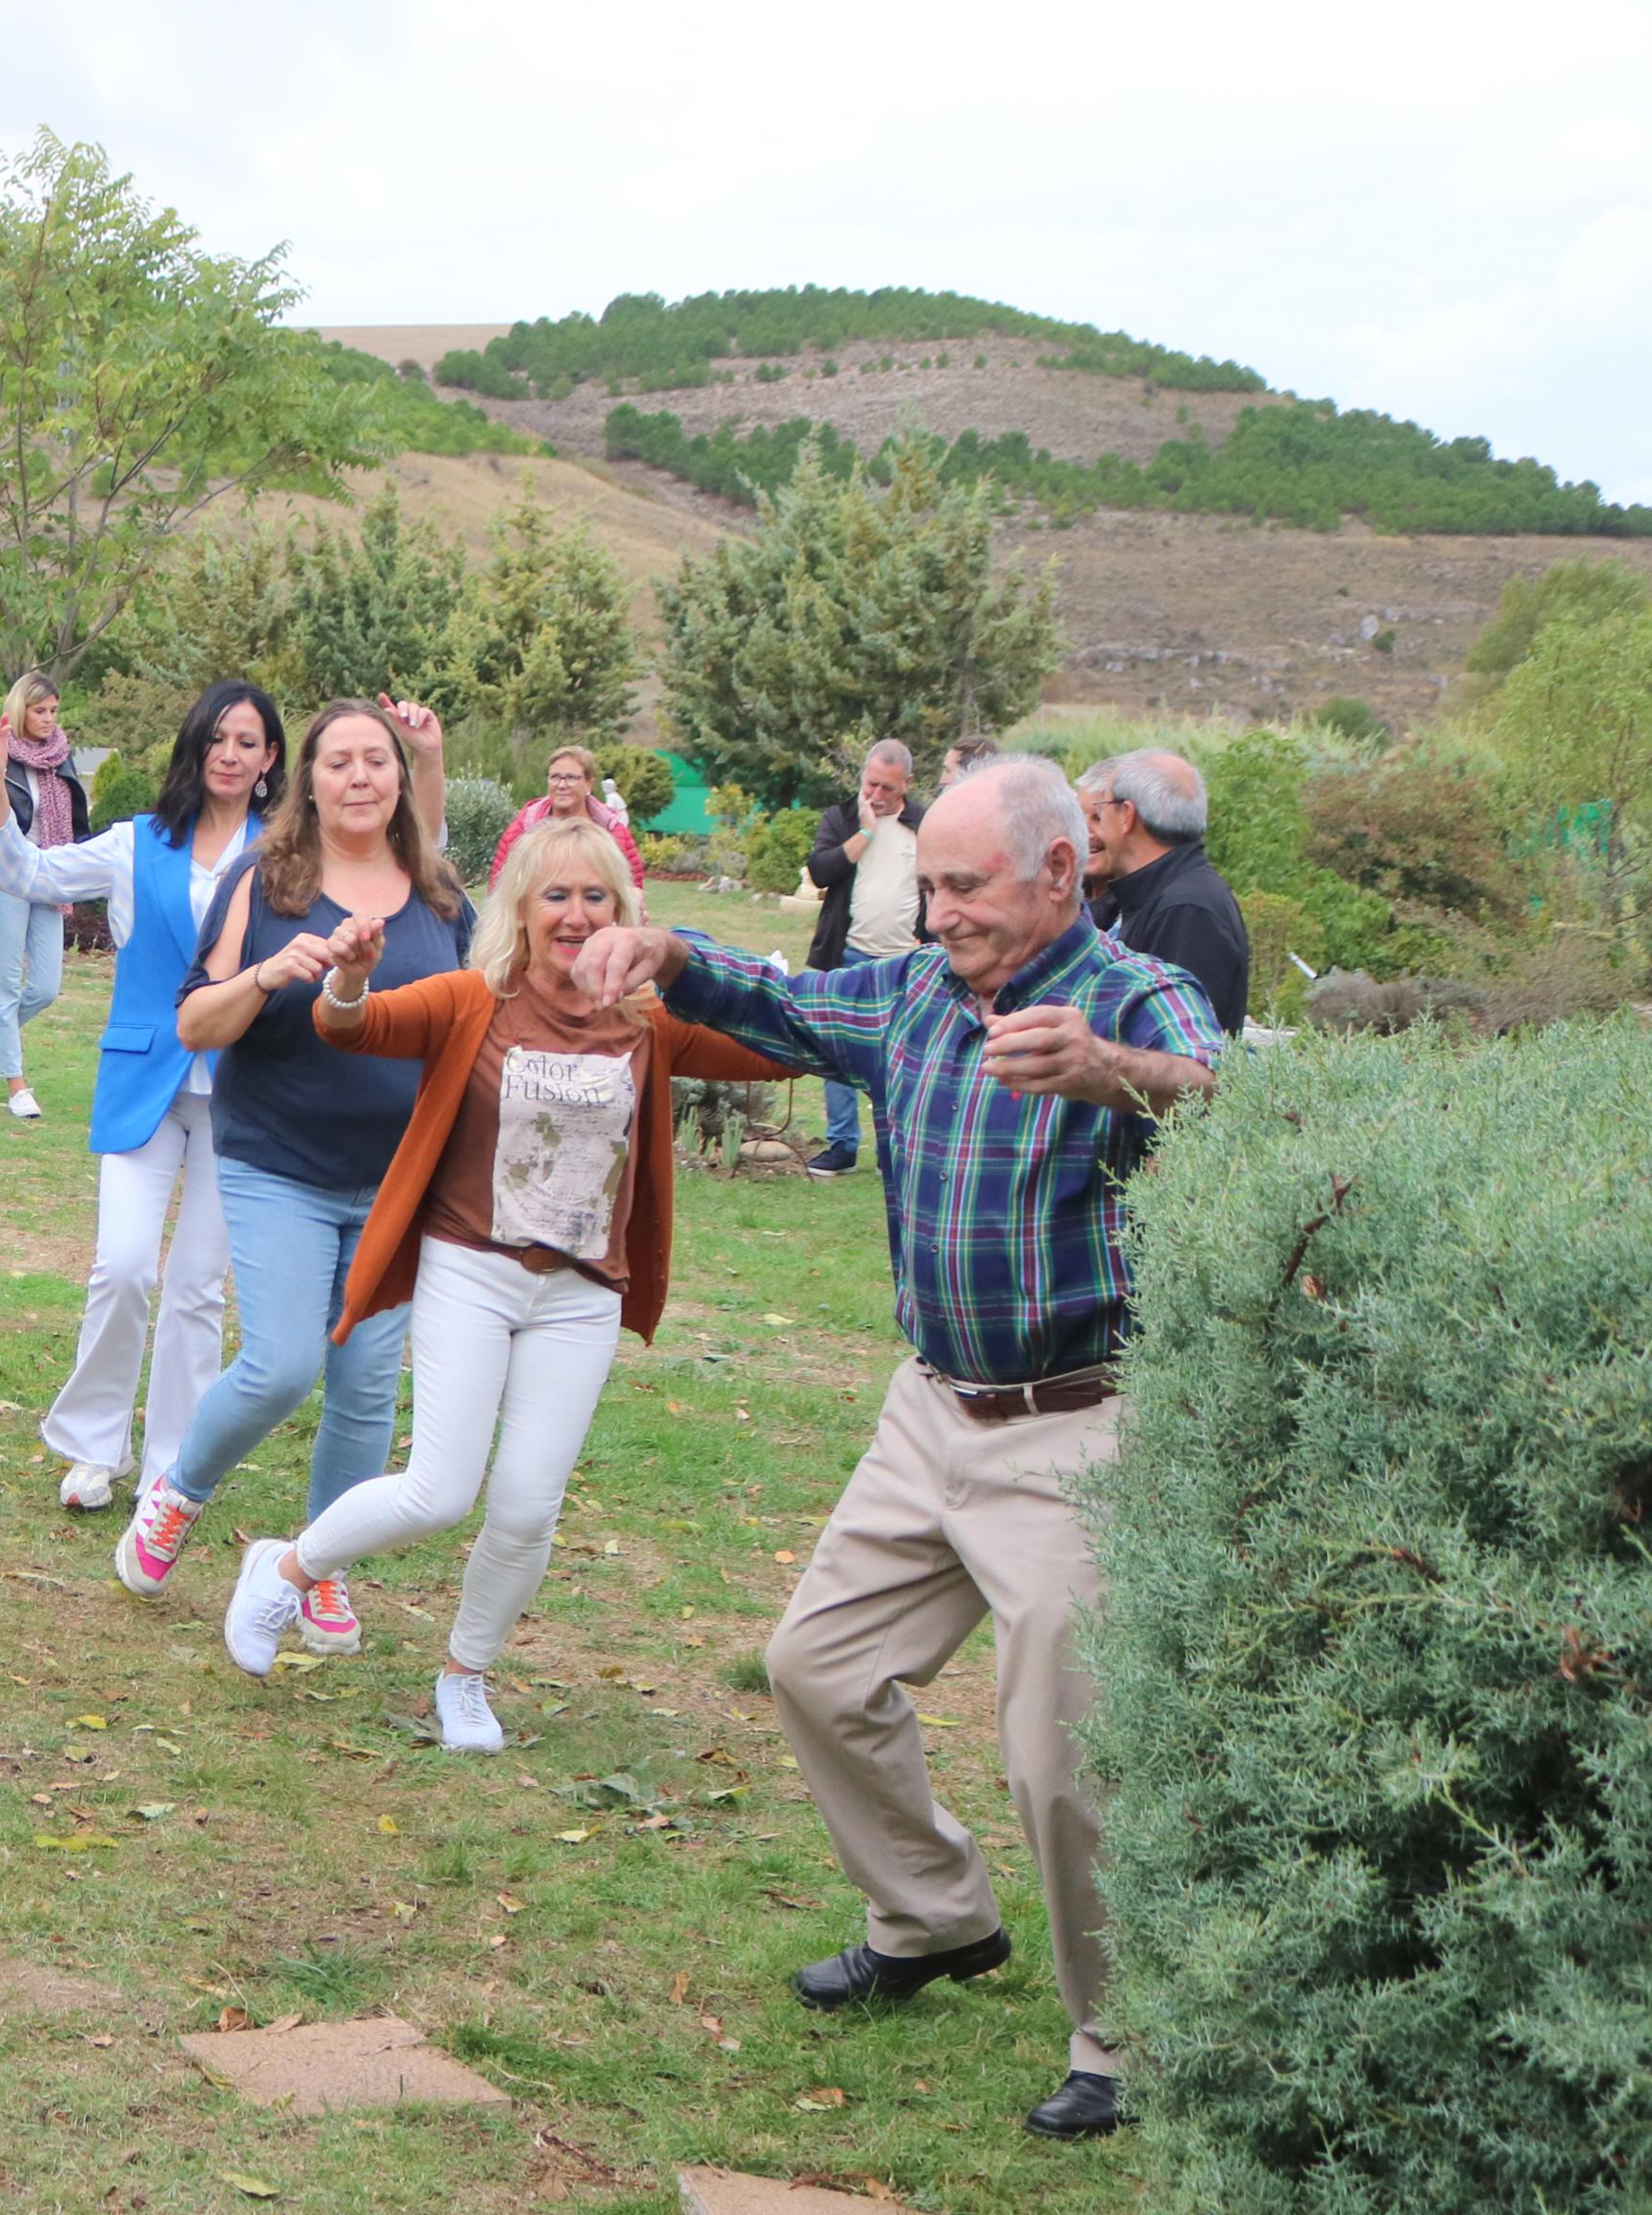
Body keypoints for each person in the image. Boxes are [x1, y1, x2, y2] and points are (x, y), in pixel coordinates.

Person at [567, 754, 1226, 2142]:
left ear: (1059, 873)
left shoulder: (1128, 995)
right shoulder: (916, 994)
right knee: (815, 1665)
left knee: (1060, 1750)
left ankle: (1120, 2032)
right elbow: (784, 1001)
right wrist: (670, 950)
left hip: (1075, 1426)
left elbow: (1225, 1096)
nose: (935, 915)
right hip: (927, 1409)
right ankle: (929, 1914)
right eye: (925, 884)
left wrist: (1112, 1076)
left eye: (962, 885)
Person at [218, 816, 787, 1749]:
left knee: (525, 1505)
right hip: (470, 1269)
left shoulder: (647, 1018)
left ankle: (463, 1675)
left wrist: (714, 971)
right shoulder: (471, 999)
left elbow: (779, 1044)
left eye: (594, 895)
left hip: (580, 1291)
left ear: (622, 910)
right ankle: (285, 1571)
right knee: (438, 1490)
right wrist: (351, 979)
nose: (573, 914)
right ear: (519, 909)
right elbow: (349, 1026)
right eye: (553, 894)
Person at [112, 696, 459, 1599]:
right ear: (306, 778)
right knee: (282, 1366)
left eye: (374, 761)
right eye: (336, 760)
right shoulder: (266, 882)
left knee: (366, 1387)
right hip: (278, 1162)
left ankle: (317, 1566)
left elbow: (468, 1026)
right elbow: (194, 1020)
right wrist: (269, 972)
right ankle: (176, 1492)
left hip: (395, 1177)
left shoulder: (440, 897)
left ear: (398, 777)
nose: (357, 776)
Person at [0, 682, 279, 1509]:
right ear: (193, 746)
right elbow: (24, 872)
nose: (229, 753)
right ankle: (93, 1447)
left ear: (269, 759)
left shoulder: (287, 851)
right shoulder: (136, 842)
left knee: (197, 1288)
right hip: (146, 1079)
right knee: (125, 1268)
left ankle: (171, 1470)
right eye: (216, 737)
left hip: (242, 1095)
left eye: (247, 741)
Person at [0, 671, 97, 1118]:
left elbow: (77, 819)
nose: (49, 719)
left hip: (48, 875)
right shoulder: (0, 755)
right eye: (39, 711)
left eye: (54, 710)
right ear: (21, 709)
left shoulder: (60, 757)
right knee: (7, 985)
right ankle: (16, 1085)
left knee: (46, 987)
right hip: (6, 876)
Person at [799, 738, 927, 1181]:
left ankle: (896, 1148)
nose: (877, 795)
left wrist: (927, 938)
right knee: (837, 1050)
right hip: (848, 953)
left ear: (906, 784)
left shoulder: (924, 824)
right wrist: (867, 833)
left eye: (888, 788)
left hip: (905, 961)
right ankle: (842, 1145)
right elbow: (821, 870)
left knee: (902, 1059)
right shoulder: (842, 817)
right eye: (871, 783)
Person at [1078, 749, 1249, 1033]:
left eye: (1100, 811)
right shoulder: (1159, 894)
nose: (1088, 829)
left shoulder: (1186, 911)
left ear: (1127, 816)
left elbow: (1180, 1046)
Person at [486, 744, 646, 891]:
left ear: (589, 784)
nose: (562, 785)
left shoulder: (614, 833)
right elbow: (499, 886)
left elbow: (633, 893)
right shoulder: (522, 829)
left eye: (571, 778)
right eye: (555, 777)